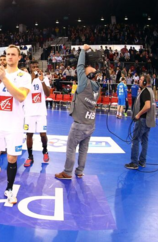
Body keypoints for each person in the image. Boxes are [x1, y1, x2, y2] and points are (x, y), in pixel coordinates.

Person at [0, 45, 31, 204]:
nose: (10, 57)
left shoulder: (24, 76)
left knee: (12, 157)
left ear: (19, 57)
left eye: (13, 54)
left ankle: (10, 188)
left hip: (15, 124)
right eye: (8, 54)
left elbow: (21, 96)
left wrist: (4, 79)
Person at [55, 44, 100, 179]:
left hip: (80, 123)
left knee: (71, 147)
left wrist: (83, 50)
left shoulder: (83, 84)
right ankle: (79, 171)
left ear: (87, 76)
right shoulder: (97, 87)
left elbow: (80, 67)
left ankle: (67, 172)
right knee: (84, 149)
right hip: (90, 123)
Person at [125, 75, 156, 169]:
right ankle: (142, 162)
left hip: (142, 120)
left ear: (145, 82)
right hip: (148, 121)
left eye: (141, 80)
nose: (139, 81)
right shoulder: (150, 91)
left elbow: (147, 106)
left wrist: (138, 114)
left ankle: (134, 163)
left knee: (135, 139)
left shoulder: (145, 92)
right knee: (144, 141)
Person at [23, 60, 50, 167]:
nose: (35, 67)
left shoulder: (44, 78)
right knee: (29, 134)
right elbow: (23, 92)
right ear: (30, 67)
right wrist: (32, 78)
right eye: (33, 66)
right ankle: (30, 157)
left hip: (41, 112)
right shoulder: (26, 79)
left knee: (43, 135)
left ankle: (45, 151)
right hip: (29, 112)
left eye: (36, 66)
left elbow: (47, 93)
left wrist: (42, 81)